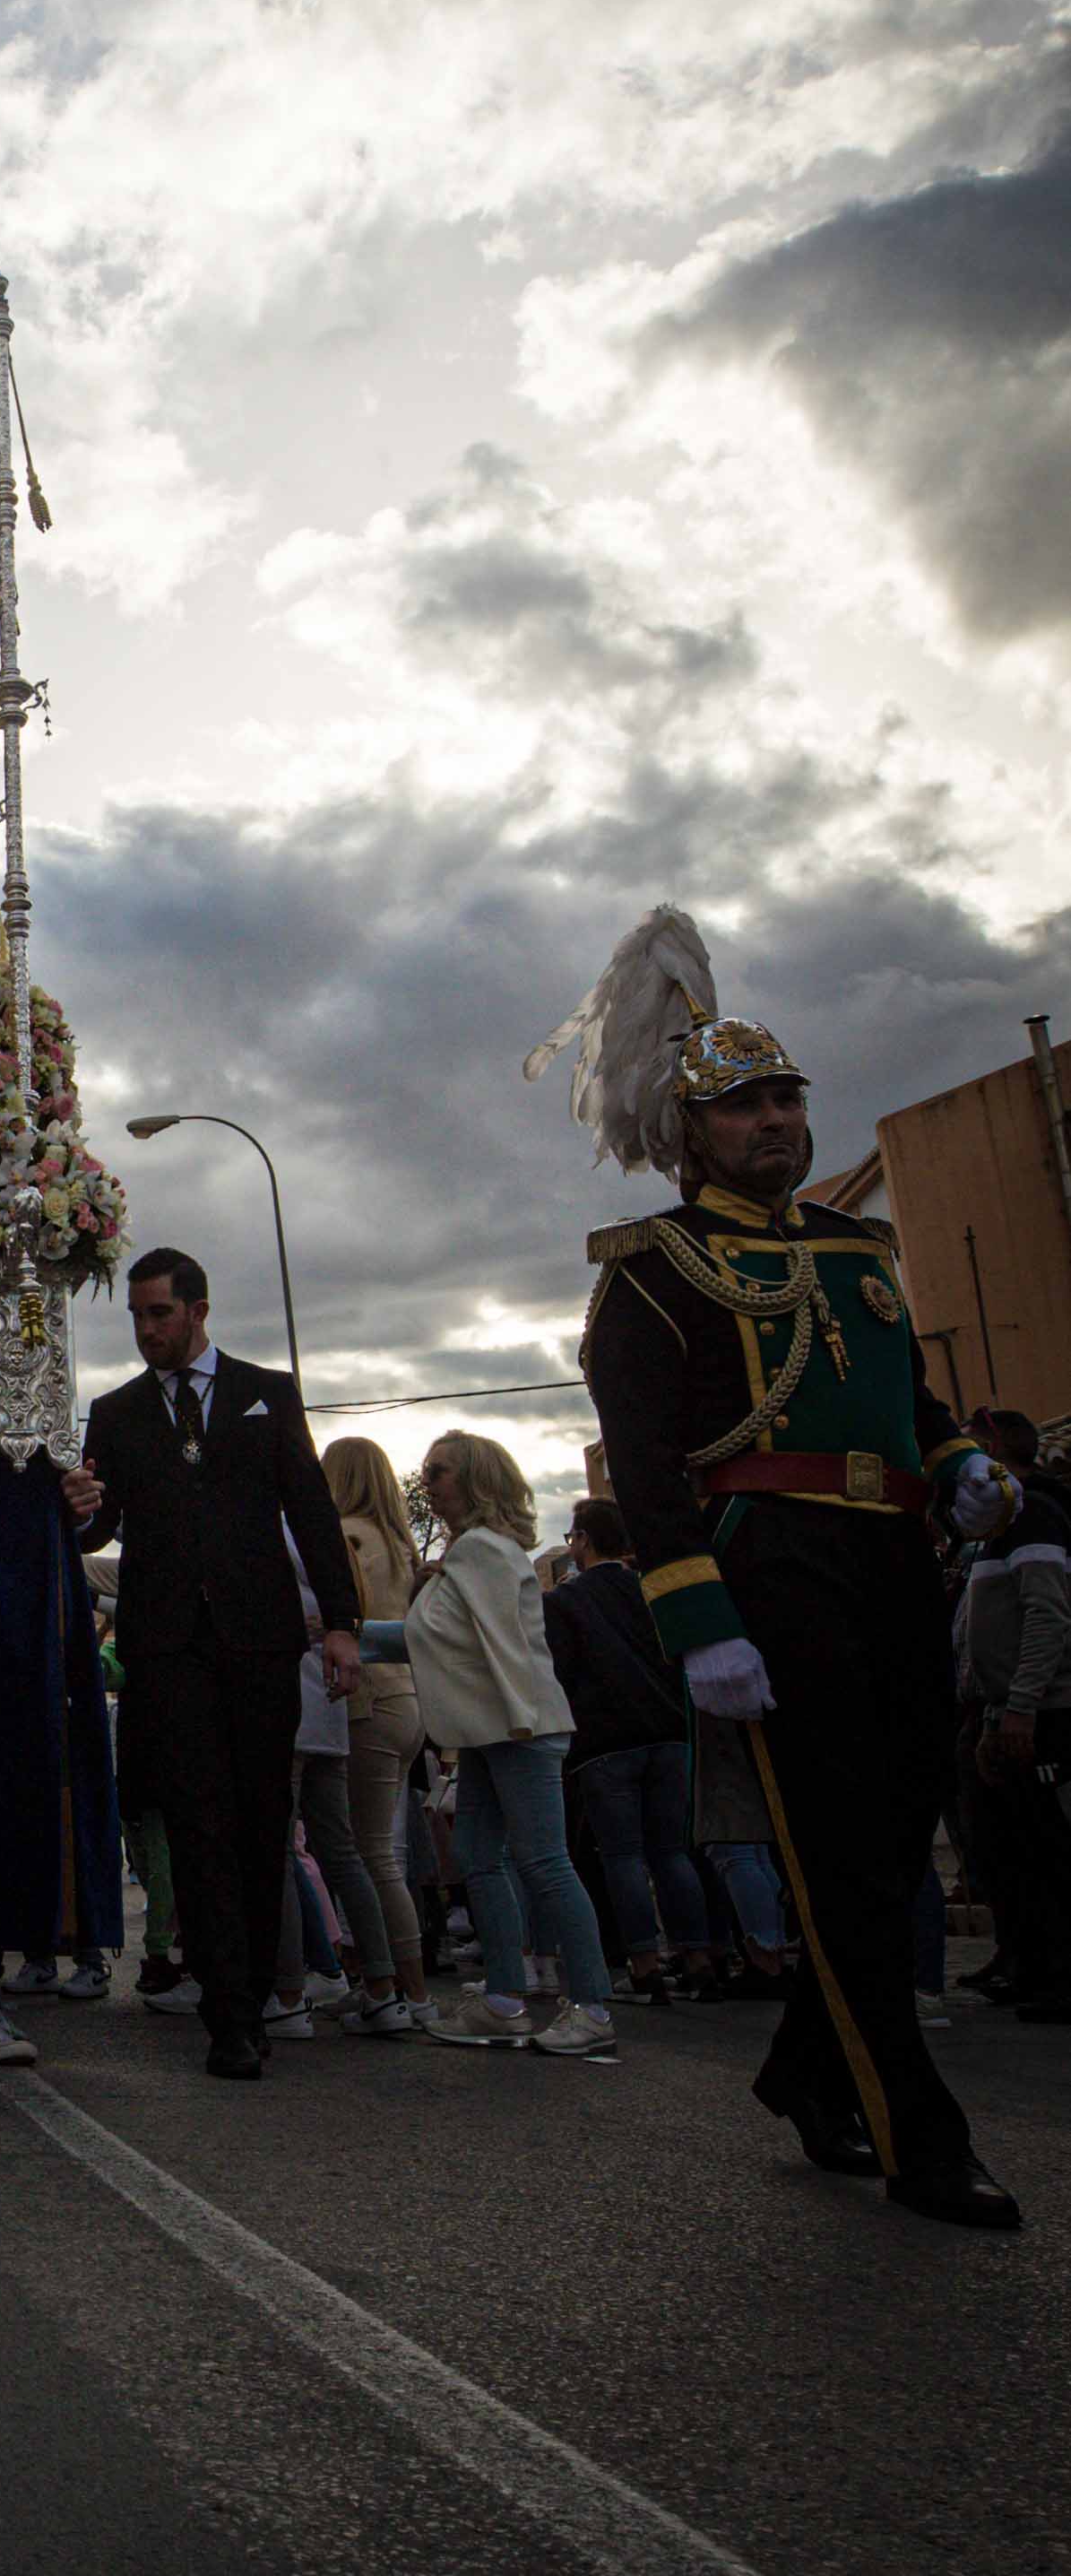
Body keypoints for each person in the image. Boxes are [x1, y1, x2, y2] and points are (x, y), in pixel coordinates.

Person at [534, 905, 1024, 2225]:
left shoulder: (856, 1248)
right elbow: (642, 1468)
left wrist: (958, 1462)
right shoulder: (651, 1272)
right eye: (743, 1105)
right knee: (838, 1859)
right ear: (687, 1131)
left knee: (890, 1844)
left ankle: (806, 2071)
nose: (772, 1121)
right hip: (770, 1569)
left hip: (890, 1562)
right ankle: (916, 2133)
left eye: (784, 1098)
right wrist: (699, 1619)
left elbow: (902, 1398)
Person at [63, 1246, 360, 2078]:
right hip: (168, 1649)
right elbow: (98, 1527)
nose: (147, 1329)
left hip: (262, 1642)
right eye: (136, 1316)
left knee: (265, 1822)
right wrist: (79, 1511)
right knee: (197, 1822)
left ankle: (260, 1990)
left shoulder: (267, 1394)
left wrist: (340, 1623)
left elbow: (311, 1510)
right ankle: (226, 2013)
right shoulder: (116, 1412)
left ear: (198, 1310)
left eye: (159, 1313)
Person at [372, 1434, 616, 2058]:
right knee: (482, 1852)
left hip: (515, 1725)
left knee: (543, 1861)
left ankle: (591, 2005)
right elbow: (447, 1637)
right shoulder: (474, 1552)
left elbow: (477, 1645)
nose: (427, 1480)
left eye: (439, 1470)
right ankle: (505, 1997)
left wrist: (356, 1633)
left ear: (474, 1479)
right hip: (495, 1726)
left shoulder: (479, 1550)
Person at [544, 1497, 715, 2005]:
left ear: (584, 1540)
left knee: (622, 1856)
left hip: (606, 1739)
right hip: (669, 1732)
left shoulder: (566, 1601)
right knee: (671, 1852)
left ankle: (643, 1965)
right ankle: (698, 1958)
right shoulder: (653, 1590)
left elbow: (562, 1671)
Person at [954, 1409, 1071, 2019]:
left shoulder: (1035, 1515)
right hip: (1001, 1710)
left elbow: (1047, 1617)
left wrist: (1021, 1707)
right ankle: (1027, 1961)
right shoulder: (995, 1529)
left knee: (1048, 1850)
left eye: (970, 1446)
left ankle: (1060, 1974)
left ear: (995, 1448)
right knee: (1011, 1850)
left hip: (1044, 1713)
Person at [319, 1438, 431, 2029]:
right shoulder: (399, 1543)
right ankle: (382, 1979)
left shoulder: (349, 1537)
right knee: (381, 1851)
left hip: (366, 1705)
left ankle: (407, 1989)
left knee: (370, 1855)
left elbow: (337, 1613)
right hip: (406, 1700)